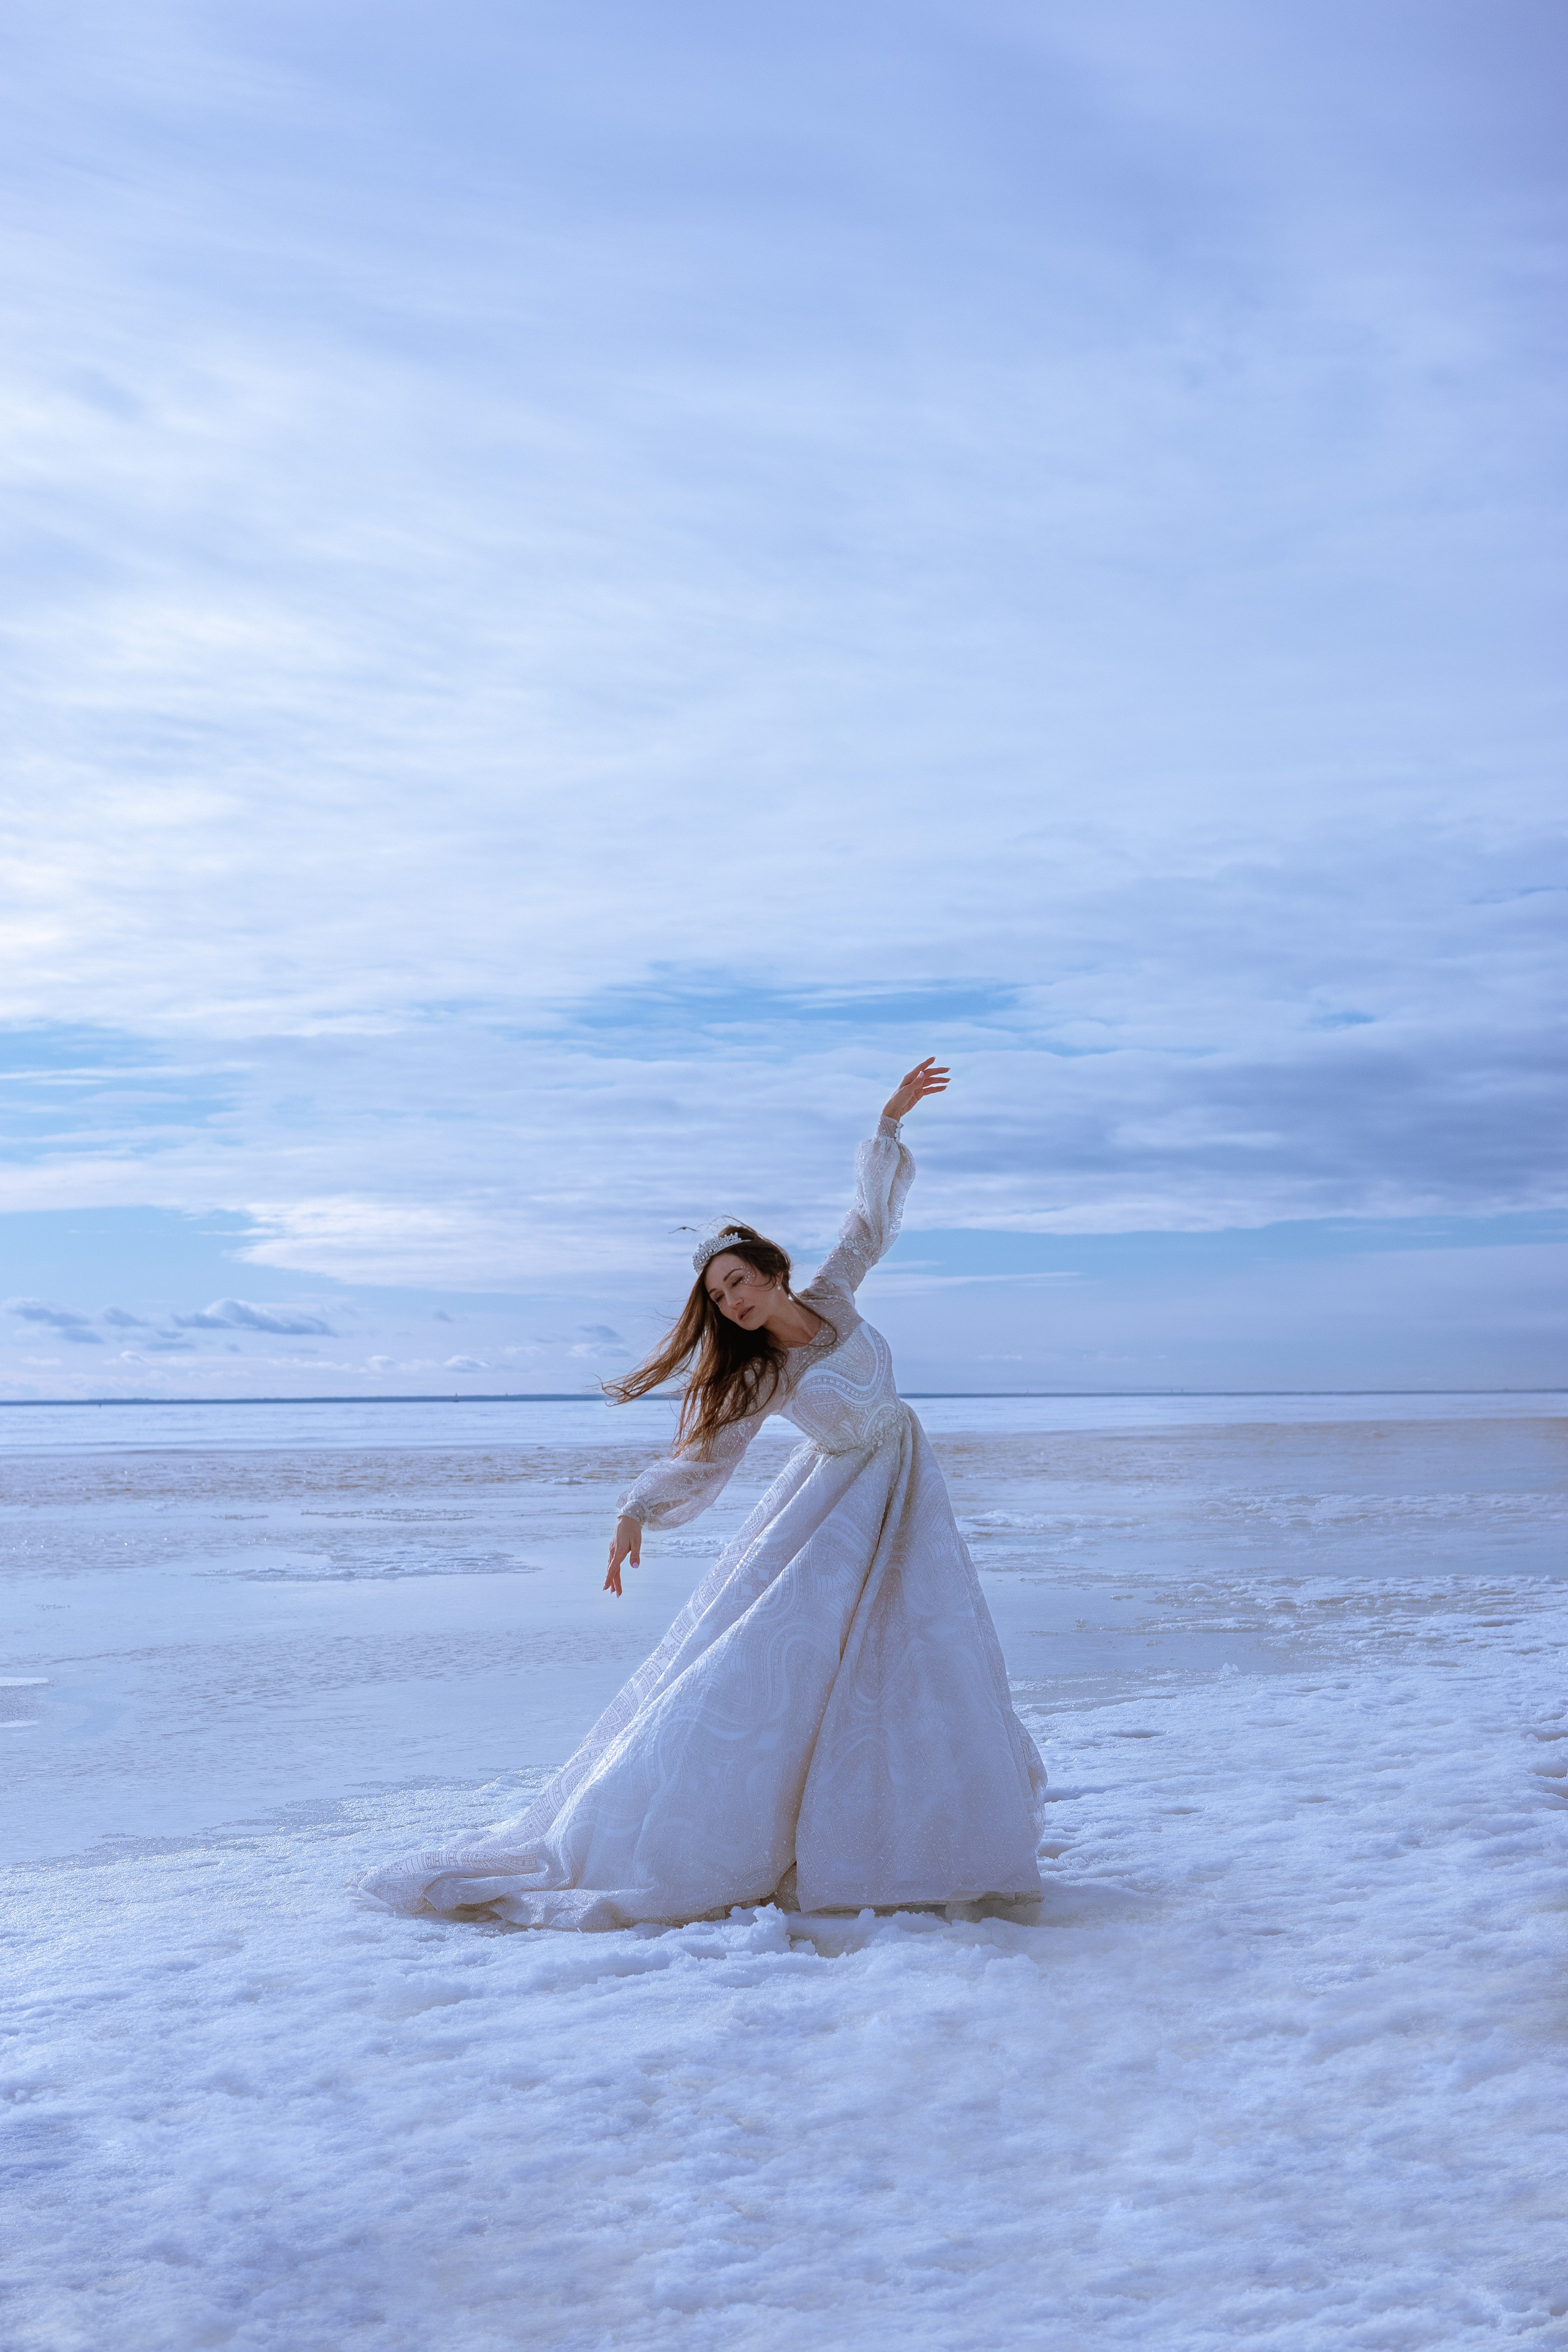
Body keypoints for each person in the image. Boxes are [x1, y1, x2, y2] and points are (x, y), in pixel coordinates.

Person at [361, 1059, 1046, 1928]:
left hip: (904, 1484)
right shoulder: (766, 1373)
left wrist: (888, 1123)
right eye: (719, 1298)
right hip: (838, 1508)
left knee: (921, 1653)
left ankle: (932, 1832)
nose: (732, 1305)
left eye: (739, 1284)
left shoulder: (833, 1295)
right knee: (800, 1668)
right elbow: (709, 1455)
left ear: (772, 1270)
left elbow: (871, 1221)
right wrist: (635, 1509)